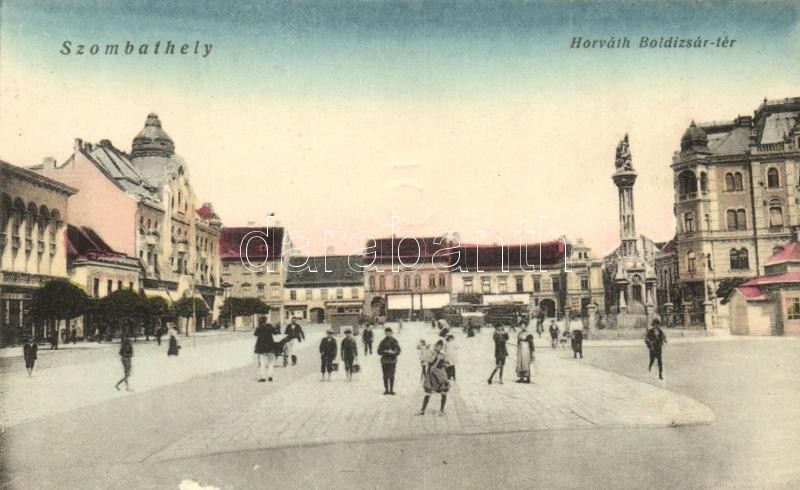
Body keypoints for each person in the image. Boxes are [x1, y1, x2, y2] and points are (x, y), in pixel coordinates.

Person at [416, 340, 450, 416]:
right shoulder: (431, 354)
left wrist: (445, 363)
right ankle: (422, 410)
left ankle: (442, 410)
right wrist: (438, 358)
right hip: (432, 375)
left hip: (441, 375)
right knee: (428, 393)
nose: (439, 348)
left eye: (441, 346)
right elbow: (431, 366)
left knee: (444, 392)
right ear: (435, 346)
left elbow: (446, 364)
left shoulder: (442, 354)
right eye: (438, 346)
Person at [377, 327, 401, 394]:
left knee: (392, 376)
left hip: (392, 361)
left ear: (392, 333)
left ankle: (391, 390)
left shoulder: (395, 341)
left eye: (389, 333)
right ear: (385, 333)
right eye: (387, 333)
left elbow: (399, 350)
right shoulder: (383, 341)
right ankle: (386, 390)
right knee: (385, 376)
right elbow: (379, 351)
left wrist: (394, 352)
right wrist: (385, 351)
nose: (388, 334)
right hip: (384, 361)